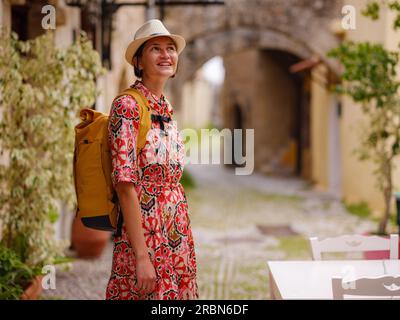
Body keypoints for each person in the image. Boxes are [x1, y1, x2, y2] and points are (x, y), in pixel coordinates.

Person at [105, 19, 198, 300]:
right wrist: (142, 256)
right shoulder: (128, 106)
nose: (166, 55)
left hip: (175, 230)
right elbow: (124, 184)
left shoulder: (165, 107)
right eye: (155, 49)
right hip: (146, 232)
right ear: (139, 61)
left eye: (170, 48)